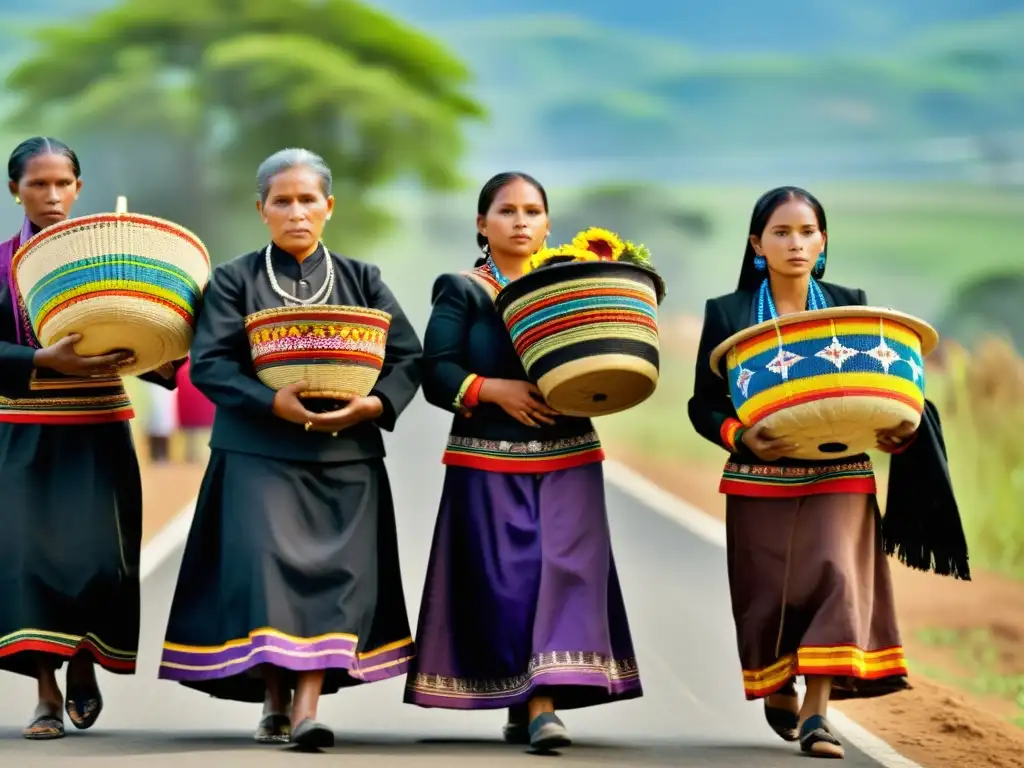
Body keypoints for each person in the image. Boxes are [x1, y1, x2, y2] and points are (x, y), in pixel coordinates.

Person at [687, 186, 970, 759]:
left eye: (808, 232)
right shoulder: (728, 313)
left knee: (840, 577)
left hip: (840, 468)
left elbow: (883, 384)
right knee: (767, 596)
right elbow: (703, 404)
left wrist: (904, 428)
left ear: (823, 242)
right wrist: (740, 436)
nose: (796, 243)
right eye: (781, 233)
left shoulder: (850, 304)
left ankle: (818, 714)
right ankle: (776, 685)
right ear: (756, 244)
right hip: (757, 475)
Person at [157, 148, 422, 750]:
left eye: (308, 200)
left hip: (346, 460)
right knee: (265, 575)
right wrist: (272, 402)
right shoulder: (232, 279)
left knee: (337, 581)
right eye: (283, 200)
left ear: (329, 206)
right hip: (256, 456)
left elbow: (408, 358)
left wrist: (374, 405)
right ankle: (275, 700)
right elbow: (212, 365)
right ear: (261, 209)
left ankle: (303, 710)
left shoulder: (365, 280)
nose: (296, 211)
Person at [404, 172, 642, 752]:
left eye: (532, 211)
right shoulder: (462, 290)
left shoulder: (572, 284)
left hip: (570, 457)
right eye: (506, 211)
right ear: (481, 225)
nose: (520, 221)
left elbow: (603, 352)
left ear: (548, 225)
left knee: (565, 571)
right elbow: (435, 371)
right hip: (487, 462)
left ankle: (541, 703)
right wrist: (492, 390)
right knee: (509, 579)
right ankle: (526, 698)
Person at [0, 136, 181, 739]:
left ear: (80, 189)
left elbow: (162, 330)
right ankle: (46, 694)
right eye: (37, 185)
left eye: (62, 185)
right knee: (27, 562)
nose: (51, 197)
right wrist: (41, 360)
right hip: (21, 435)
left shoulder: (115, 259)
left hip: (100, 432)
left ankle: (83, 661)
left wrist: (151, 350)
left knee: (98, 560)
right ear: (14, 191)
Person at [174, 358, 214, 463]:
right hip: (203, 412)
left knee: (191, 437)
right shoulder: (206, 367)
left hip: (190, 412)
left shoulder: (182, 369)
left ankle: (191, 458)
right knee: (203, 436)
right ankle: (201, 457)